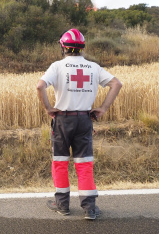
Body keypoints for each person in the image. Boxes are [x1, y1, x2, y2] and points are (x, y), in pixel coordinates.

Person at [36, 29, 122, 220]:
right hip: (84, 119)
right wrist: (103, 108)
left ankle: (62, 205)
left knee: (60, 162)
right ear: (82, 47)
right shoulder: (93, 67)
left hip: (62, 121)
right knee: (84, 164)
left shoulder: (57, 66)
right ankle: (89, 208)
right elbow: (116, 83)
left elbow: (40, 86)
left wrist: (49, 107)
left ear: (63, 47)